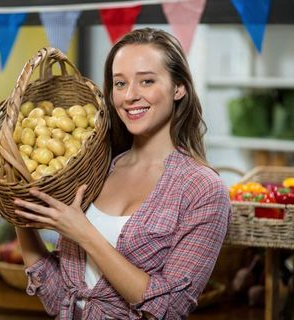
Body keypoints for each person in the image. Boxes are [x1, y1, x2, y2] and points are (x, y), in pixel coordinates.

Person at [12, 28, 231, 320]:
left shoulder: (203, 189)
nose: (129, 96)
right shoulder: (97, 167)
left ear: (179, 88)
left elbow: (167, 310)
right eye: (119, 83)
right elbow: (59, 298)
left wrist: (84, 233)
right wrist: (17, 210)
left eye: (147, 81)